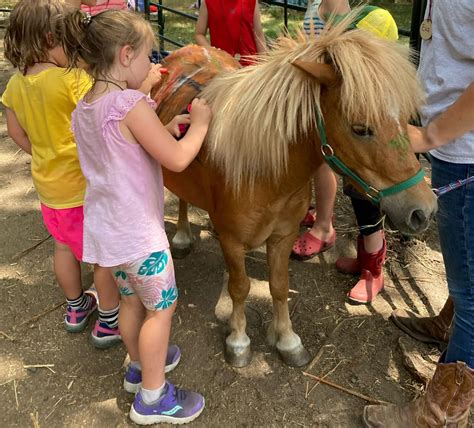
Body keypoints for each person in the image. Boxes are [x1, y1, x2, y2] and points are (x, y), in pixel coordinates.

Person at [61, 8, 212, 425]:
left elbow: (126, 148)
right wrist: (198, 124)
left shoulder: (85, 108)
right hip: (141, 237)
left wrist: (169, 122)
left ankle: (136, 367)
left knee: (131, 302)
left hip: (109, 237)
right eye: (148, 57)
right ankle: (153, 395)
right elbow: (179, 159)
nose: (151, 66)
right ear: (126, 55)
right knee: (161, 310)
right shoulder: (130, 105)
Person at [364, 1, 474, 426]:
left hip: (464, 150)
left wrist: (432, 134)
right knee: (465, 260)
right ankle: (452, 324)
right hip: (456, 145)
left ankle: (437, 413)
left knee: (472, 294)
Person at [2, 0, 121, 348]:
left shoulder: (16, 85)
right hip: (83, 185)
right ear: (52, 38)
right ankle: (110, 320)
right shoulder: (71, 80)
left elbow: (16, 133)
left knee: (64, 248)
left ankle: (75, 308)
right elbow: (99, 114)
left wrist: (43, 152)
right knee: (101, 255)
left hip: (48, 187)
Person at [293, 1, 399, 305]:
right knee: (338, 179)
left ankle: (372, 268)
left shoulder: (360, 16)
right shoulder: (315, 8)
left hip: (357, 119)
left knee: (363, 190)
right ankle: (362, 255)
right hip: (328, 114)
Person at [195, 0, 266, 66]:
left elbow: (258, 34)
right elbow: (199, 34)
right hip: (222, 66)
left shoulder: (252, 1)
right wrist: (213, 53)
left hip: (250, 65)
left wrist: (264, 62)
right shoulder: (208, 2)